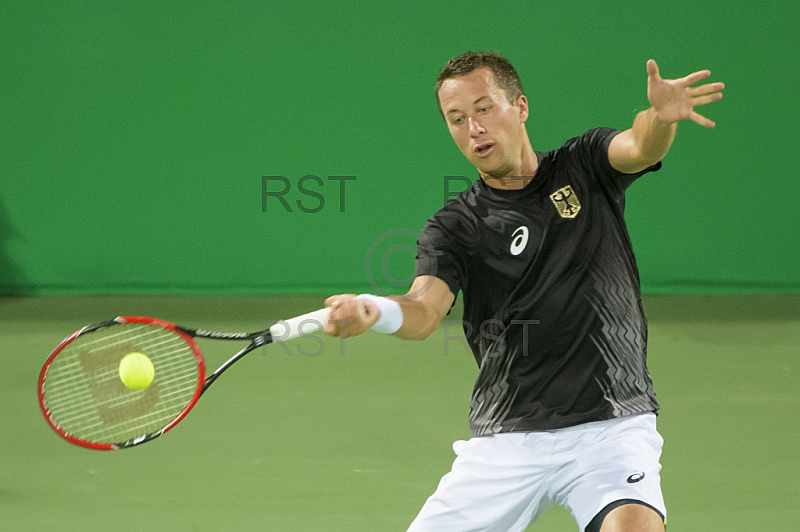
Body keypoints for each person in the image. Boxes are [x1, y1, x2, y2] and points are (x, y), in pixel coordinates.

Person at [322, 51, 724, 531]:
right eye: (457, 119)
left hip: (609, 426)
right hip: (508, 438)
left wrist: (660, 117)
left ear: (520, 107)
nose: (473, 128)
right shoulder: (455, 227)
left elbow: (641, 145)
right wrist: (374, 311)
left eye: (484, 108)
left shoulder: (584, 165)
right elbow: (423, 309)